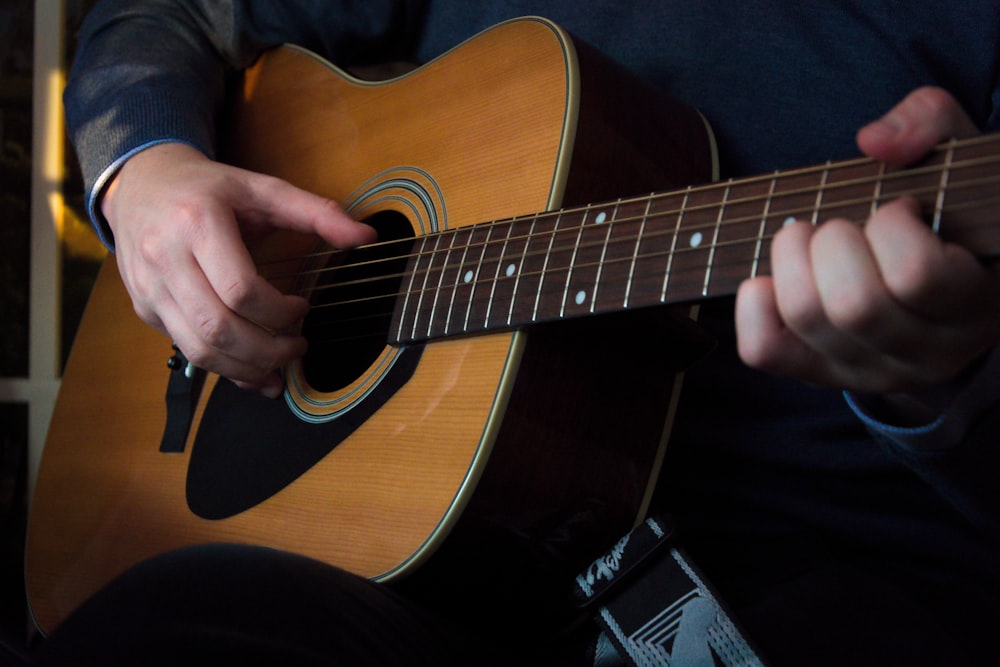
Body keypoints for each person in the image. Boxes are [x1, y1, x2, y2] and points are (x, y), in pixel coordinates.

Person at [38, 1, 1000, 664]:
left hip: (820, 593)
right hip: (432, 586)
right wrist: (143, 170)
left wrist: (940, 387)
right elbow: (160, 17)